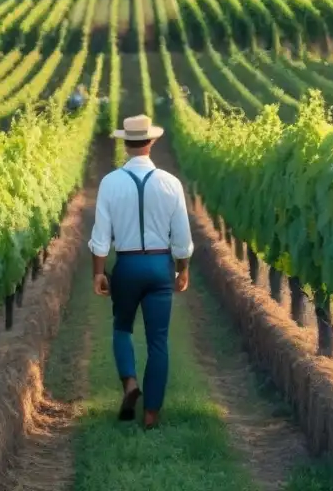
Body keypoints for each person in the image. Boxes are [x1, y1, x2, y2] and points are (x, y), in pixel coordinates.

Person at [89, 114, 193, 430]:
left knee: (122, 327)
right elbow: (183, 236)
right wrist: (182, 269)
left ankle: (131, 384)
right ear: (152, 142)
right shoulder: (171, 183)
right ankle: (151, 415)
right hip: (160, 267)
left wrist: (99, 272)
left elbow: (100, 236)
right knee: (158, 340)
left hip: (128, 265)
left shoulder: (110, 183)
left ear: (125, 143)